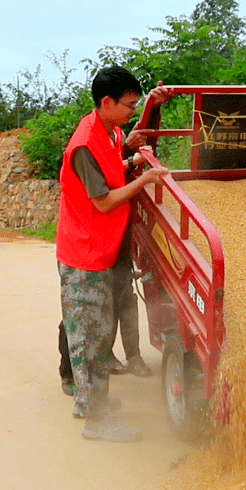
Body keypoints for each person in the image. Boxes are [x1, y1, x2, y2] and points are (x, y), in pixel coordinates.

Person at [57, 65, 169, 442]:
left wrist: (131, 163)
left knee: (97, 334)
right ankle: (96, 421)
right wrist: (144, 179)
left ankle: (87, 403)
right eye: (128, 105)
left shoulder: (110, 131)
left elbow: (109, 171)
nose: (131, 112)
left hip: (100, 248)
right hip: (84, 255)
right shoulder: (85, 143)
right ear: (106, 102)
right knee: (93, 338)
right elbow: (103, 201)